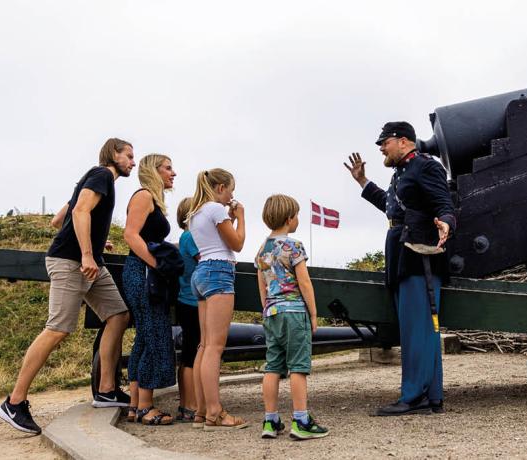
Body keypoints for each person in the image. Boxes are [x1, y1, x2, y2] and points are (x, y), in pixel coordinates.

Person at [0, 138, 135, 434]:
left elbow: (59, 218)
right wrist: (85, 251)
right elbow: (79, 212)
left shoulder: (94, 179)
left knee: (118, 314)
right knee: (58, 328)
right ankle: (14, 401)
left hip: (88, 261)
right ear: (114, 154)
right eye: (129, 156)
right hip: (72, 262)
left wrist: (95, 241)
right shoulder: (101, 175)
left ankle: (107, 390)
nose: (133, 163)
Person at [344, 121, 456, 416]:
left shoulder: (425, 166)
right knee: (417, 328)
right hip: (403, 254)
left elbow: (444, 202)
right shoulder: (403, 172)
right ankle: (431, 397)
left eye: (385, 142)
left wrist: (446, 221)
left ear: (404, 141)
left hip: (419, 256)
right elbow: (392, 208)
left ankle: (414, 397)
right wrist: (363, 183)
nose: (381, 147)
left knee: (417, 329)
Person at [255, 194, 329, 440]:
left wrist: (267, 311)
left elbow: (262, 288)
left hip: (271, 313)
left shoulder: (262, 250)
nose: (298, 219)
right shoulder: (293, 246)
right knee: (298, 366)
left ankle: (270, 420)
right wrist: (314, 313)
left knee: (273, 366)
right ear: (289, 219)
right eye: (297, 215)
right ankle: (301, 420)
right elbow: (304, 283)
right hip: (295, 312)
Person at [187, 168, 249, 430]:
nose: (232, 196)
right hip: (219, 273)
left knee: (204, 345)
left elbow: (219, 241)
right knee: (215, 347)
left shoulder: (196, 213)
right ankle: (215, 412)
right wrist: (241, 217)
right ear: (221, 187)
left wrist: (230, 221)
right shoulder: (215, 209)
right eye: (231, 190)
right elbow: (236, 244)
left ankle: (201, 412)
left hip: (201, 274)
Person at [122, 154, 177, 425]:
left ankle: (135, 405)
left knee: (145, 336)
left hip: (141, 271)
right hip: (142, 272)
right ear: (153, 170)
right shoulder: (144, 196)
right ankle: (146, 407)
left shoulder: (152, 199)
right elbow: (130, 234)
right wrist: (157, 263)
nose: (173, 173)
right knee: (155, 334)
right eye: (168, 168)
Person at [174, 197, 200, 422]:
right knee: (192, 354)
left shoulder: (184, 236)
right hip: (193, 302)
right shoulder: (191, 236)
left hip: (185, 300)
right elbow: (207, 259)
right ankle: (191, 404)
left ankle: (185, 403)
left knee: (188, 356)